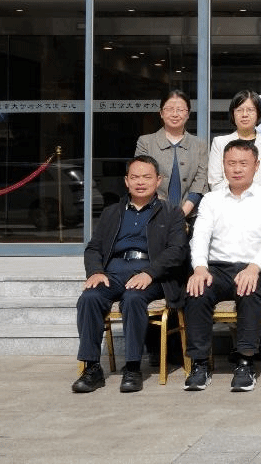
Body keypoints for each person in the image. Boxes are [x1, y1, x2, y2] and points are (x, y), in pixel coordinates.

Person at [72, 155, 187, 394]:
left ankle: (133, 367)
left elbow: (177, 251)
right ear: (126, 181)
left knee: (133, 298)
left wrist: (150, 273)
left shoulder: (171, 213)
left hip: (151, 275)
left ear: (158, 180)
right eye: (135, 177)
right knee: (89, 297)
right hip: (113, 273)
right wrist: (95, 271)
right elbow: (94, 248)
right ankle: (91, 368)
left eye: (146, 177)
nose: (140, 182)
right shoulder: (112, 212)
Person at [183, 139, 261, 392]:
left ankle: (245, 362)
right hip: (217, 268)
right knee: (196, 291)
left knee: (248, 289)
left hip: (258, 269)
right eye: (231, 163)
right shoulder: (211, 200)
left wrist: (254, 267)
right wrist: (199, 267)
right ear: (223, 165)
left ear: (256, 166)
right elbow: (200, 236)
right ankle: (200, 364)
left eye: (243, 163)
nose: (237, 169)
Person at [134, 89, 207, 216]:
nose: (175, 114)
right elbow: (142, 178)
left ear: (188, 114)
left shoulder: (199, 144)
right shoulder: (145, 143)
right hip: (153, 213)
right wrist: (165, 212)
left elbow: (201, 180)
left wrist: (182, 213)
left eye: (180, 110)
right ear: (161, 113)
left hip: (191, 214)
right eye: (169, 109)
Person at [207, 89, 261, 194]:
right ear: (233, 114)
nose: (245, 114)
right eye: (239, 110)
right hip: (227, 202)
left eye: (250, 110)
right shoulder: (219, 143)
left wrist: (255, 201)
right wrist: (235, 200)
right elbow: (215, 182)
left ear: (258, 113)